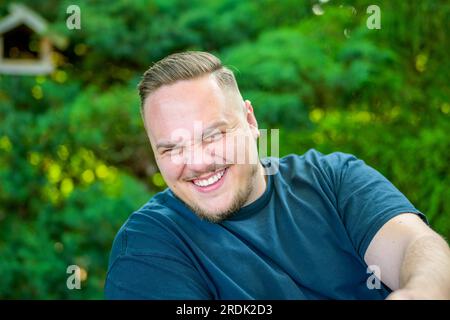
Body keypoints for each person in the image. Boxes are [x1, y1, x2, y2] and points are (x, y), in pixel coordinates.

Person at [104, 51, 450, 299]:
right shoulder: (148, 245)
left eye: (213, 136)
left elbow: (415, 245)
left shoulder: (333, 179)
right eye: (172, 149)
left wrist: (423, 290)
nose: (197, 163)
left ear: (251, 121)